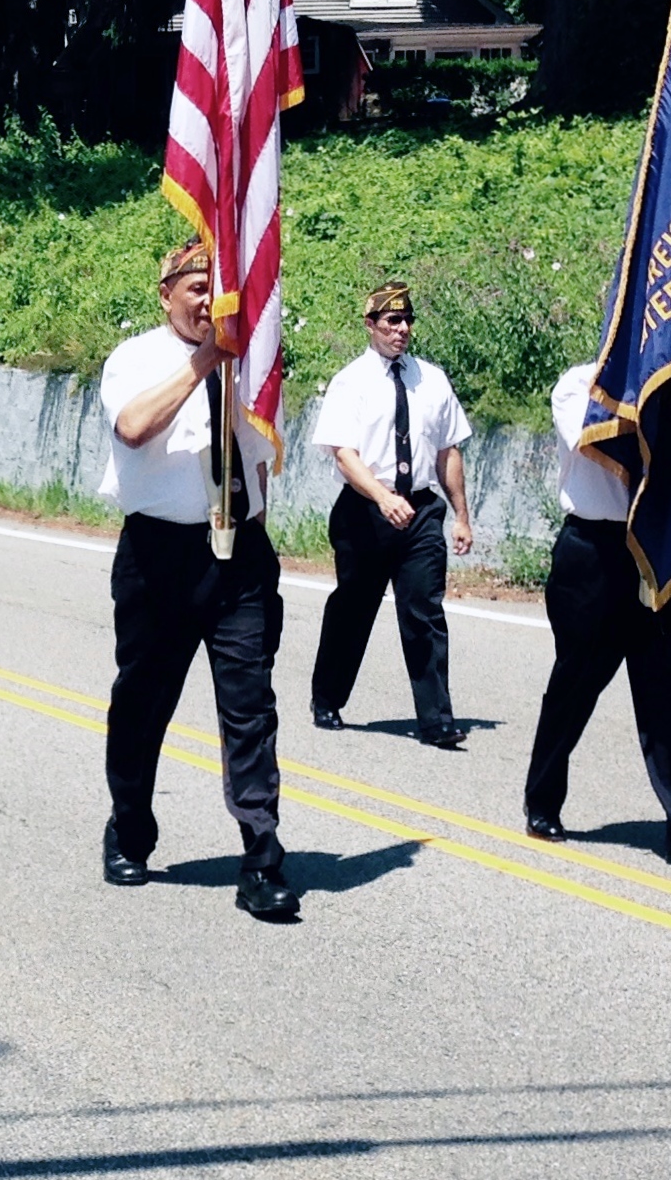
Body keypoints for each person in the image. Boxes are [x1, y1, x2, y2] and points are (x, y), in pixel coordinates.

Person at [97, 238, 298, 920]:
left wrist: (261, 532)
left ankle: (262, 856)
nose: (210, 298)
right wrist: (206, 358)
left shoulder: (255, 357)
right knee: (142, 705)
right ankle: (129, 825)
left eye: (220, 285)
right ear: (165, 293)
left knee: (250, 709)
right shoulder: (137, 358)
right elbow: (131, 427)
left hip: (238, 557)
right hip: (160, 557)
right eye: (196, 286)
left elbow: (266, 451)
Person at [520, 361, 671, 868]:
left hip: (657, 549)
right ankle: (543, 797)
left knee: (667, 692)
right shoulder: (578, 384)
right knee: (575, 685)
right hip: (595, 552)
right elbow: (607, 443)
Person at [306, 279, 476, 747]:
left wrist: (461, 515)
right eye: (391, 321)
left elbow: (448, 451)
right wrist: (382, 498)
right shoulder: (351, 382)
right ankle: (328, 697)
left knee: (424, 611)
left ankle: (436, 719)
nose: (401, 330)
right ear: (370, 324)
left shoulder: (431, 379)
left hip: (420, 511)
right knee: (354, 608)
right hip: (365, 511)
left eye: (407, 321)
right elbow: (344, 453)